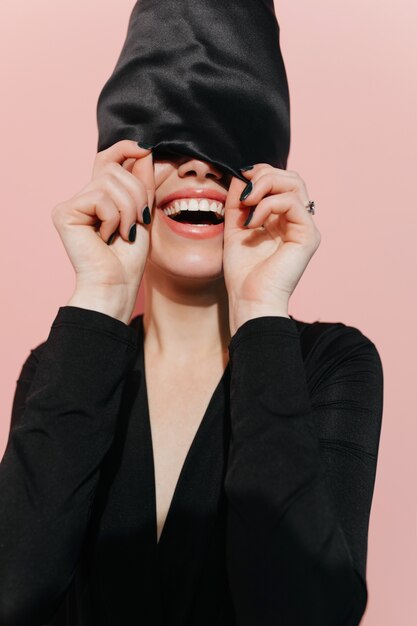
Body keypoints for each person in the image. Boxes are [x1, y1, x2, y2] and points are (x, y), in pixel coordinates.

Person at [0, 139, 383, 626]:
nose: (201, 165)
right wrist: (102, 293)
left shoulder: (330, 365)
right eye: (168, 141)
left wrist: (259, 306)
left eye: (227, 139)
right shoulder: (59, 366)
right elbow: (12, 596)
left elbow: (308, 613)